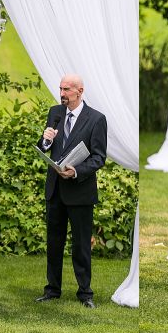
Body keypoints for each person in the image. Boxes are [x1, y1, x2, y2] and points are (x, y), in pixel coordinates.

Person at [36, 74, 107, 308]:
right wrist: (45, 141)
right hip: (55, 190)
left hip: (79, 191)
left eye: (67, 89)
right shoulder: (54, 112)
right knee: (54, 243)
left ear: (80, 91)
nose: (62, 93)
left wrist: (76, 171)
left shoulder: (96, 119)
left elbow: (99, 157)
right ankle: (52, 290)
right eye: (61, 89)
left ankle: (85, 293)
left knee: (81, 245)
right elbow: (45, 147)